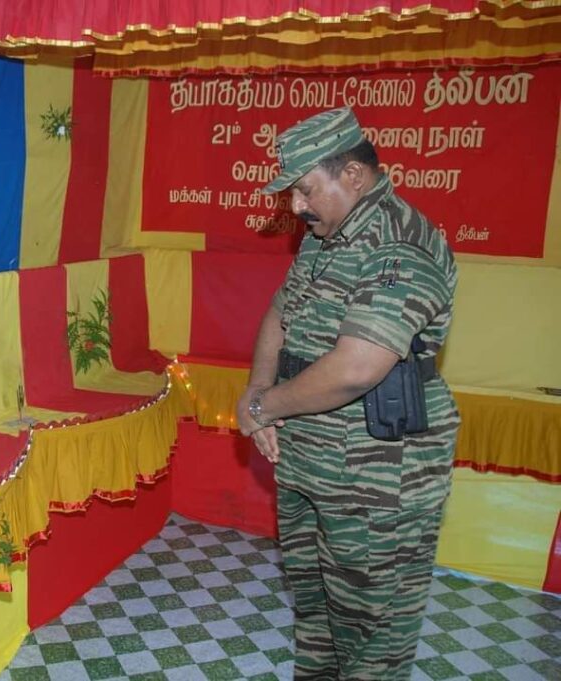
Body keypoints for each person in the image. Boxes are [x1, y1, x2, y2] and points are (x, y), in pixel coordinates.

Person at [234, 107, 459, 680]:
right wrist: (257, 387)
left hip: (378, 474)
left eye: (305, 190)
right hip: (311, 458)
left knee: (371, 627)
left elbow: (357, 368)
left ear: (353, 175)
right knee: (316, 610)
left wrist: (263, 407)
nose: (296, 207)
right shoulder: (325, 236)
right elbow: (281, 311)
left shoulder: (400, 243)